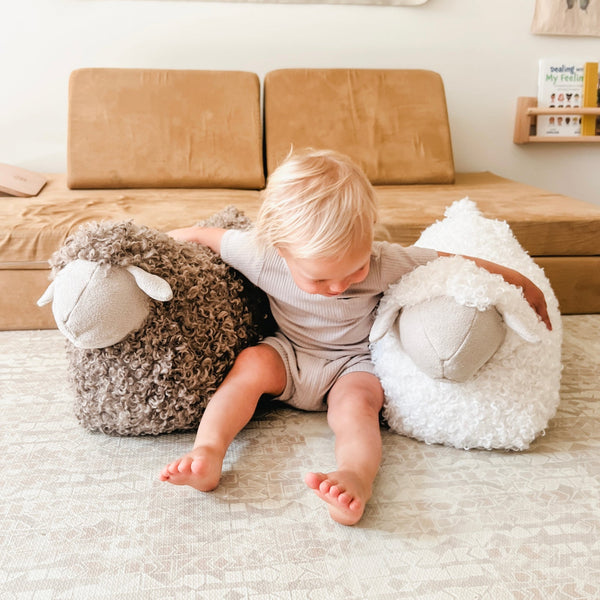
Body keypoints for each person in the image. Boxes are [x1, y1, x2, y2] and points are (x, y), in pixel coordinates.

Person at [159, 149, 551, 526]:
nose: (338, 286)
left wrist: (520, 283)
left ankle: (355, 478)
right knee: (250, 364)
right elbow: (199, 236)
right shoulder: (259, 254)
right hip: (290, 353)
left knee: (358, 406)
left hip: (353, 363)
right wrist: (147, 252)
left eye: (355, 269)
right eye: (319, 278)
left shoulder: (384, 260)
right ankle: (208, 452)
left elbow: (456, 262)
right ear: (281, 250)